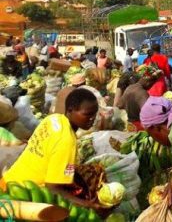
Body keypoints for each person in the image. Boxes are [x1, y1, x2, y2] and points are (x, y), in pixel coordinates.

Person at [1, 88, 110, 217]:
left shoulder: (53, 119)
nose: (92, 119)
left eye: (94, 114)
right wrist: (88, 205)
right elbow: (52, 188)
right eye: (87, 114)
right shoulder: (67, 141)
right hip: (24, 198)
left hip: (8, 182)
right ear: (70, 110)